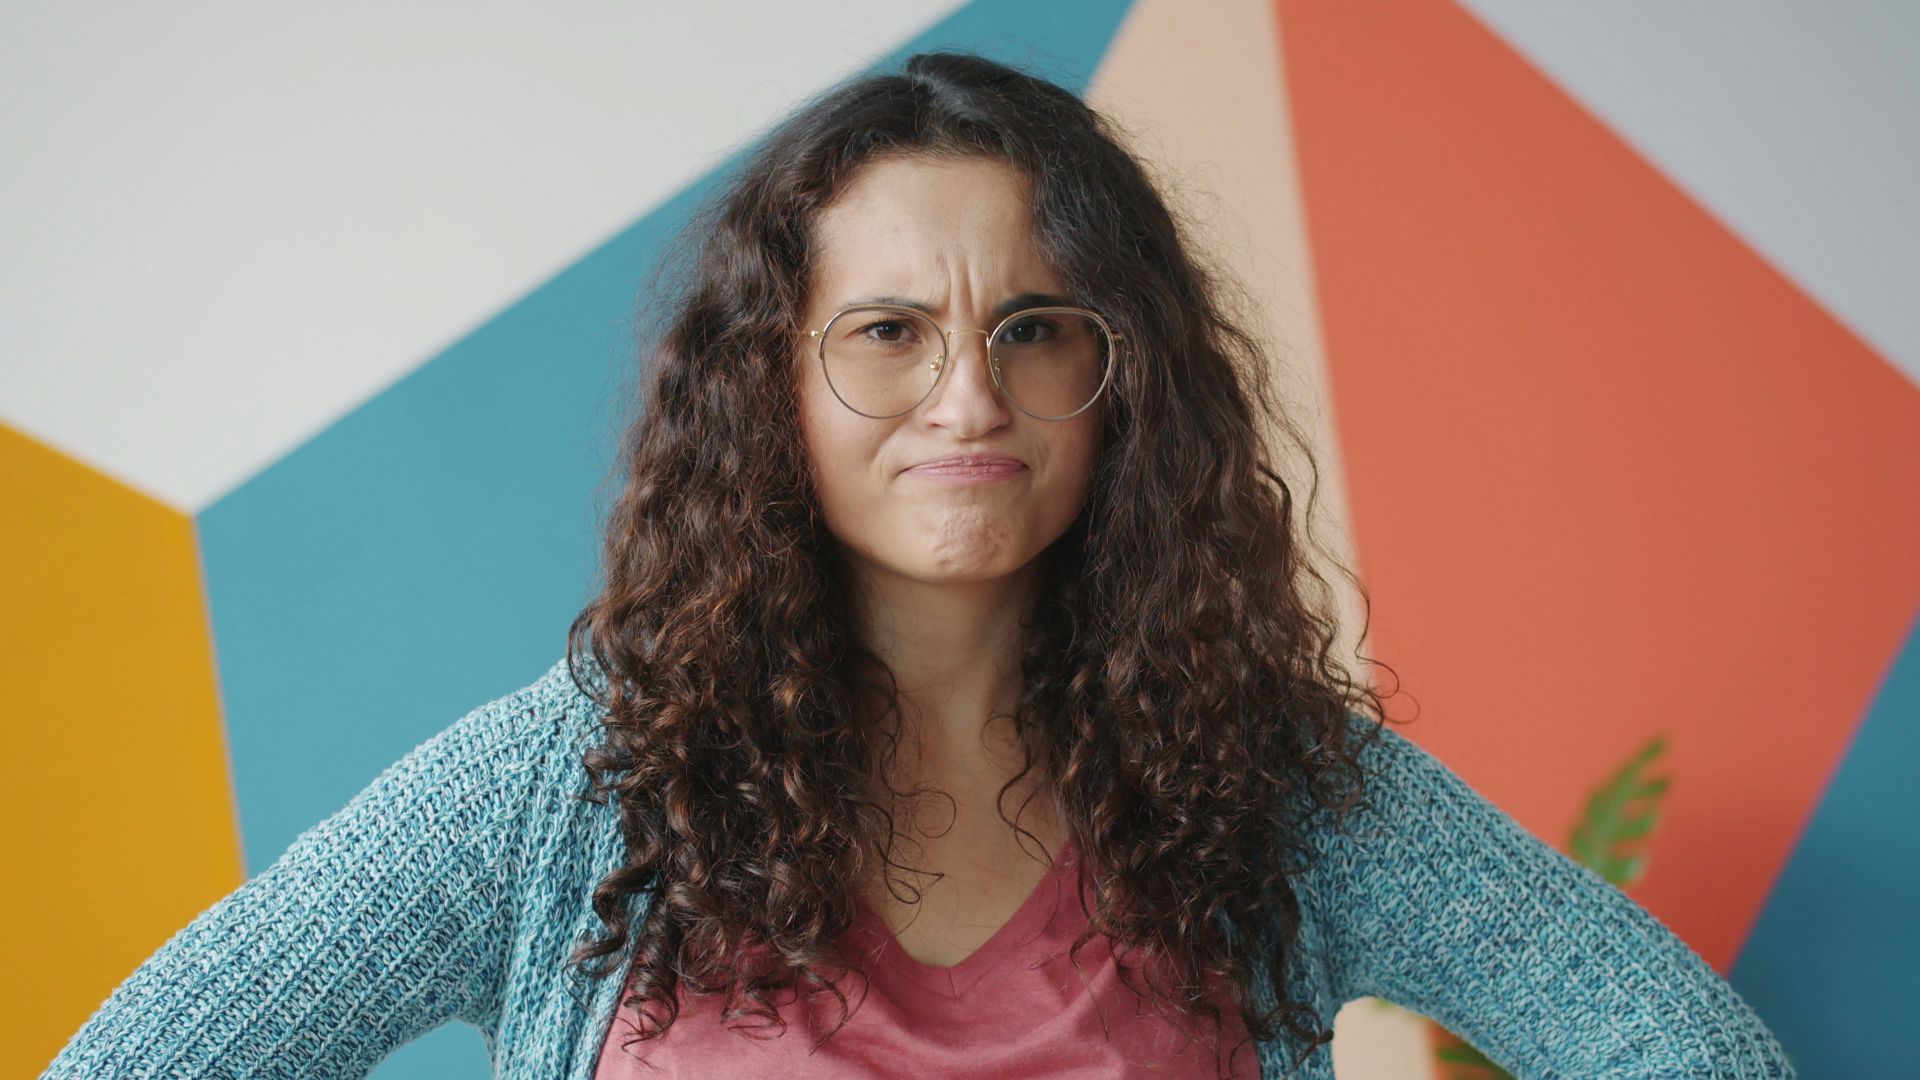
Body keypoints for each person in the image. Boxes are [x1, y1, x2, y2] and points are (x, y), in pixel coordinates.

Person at [42, 50, 1795, 1080]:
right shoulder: (586, 782)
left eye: (1036, 327)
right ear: (773, 387)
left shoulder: (1265, 786)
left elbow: (1687, 1050)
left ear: (1124, 381)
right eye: (888, 329)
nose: (971, 396)